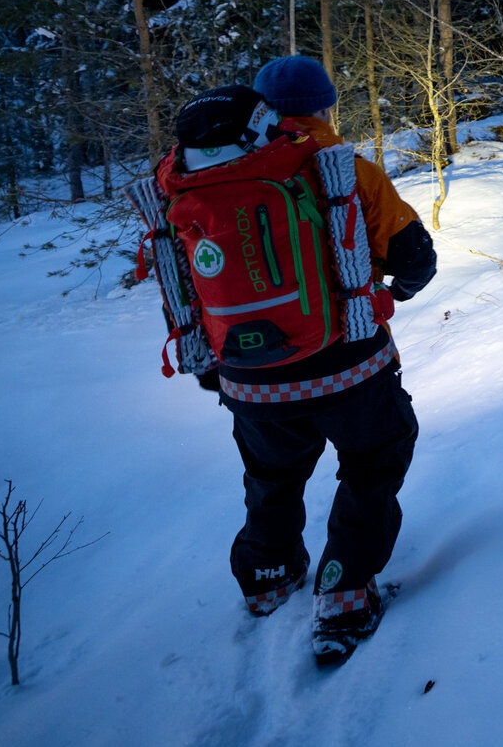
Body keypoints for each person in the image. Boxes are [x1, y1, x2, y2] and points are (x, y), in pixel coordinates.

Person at [160, 59, 436, 666]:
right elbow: (416, 259)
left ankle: (268, 575)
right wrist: (390, 291)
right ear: (326, 106)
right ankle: (345, 591)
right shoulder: (345, 171)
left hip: (250, 379)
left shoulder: (192, 179)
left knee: (273, 475)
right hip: (349, 367)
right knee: (373, 460)